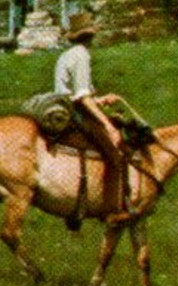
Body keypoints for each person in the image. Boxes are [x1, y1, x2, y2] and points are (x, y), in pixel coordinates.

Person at [54, 12, 132, 224]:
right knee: (115, 155)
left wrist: (101, 100)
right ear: (89, 36)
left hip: (64, 108)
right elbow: (81, 98)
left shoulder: (66, 55)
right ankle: (112, 209)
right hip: (76, 112)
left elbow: (74, 92)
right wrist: (108, 125)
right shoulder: (82, 55)